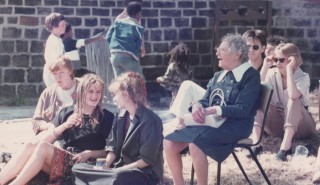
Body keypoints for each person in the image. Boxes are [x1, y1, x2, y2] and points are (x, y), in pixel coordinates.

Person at [164, 33, 261, 185]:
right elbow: (204, 100)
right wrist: (197, 106)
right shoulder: (218, 76)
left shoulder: (251, 76)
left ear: (237, 54)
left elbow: (243, 109)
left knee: (196, 143)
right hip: (212, 122)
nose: (217, 53)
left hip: (236, 125)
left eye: (222, 49)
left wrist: (215, 110)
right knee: (169, 142)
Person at [0, 74, 115, 185]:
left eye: (98, 92)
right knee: (30, 145)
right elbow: (44, 139)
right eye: (90, 91)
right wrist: (65, 125)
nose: (95, 96)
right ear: (81, 92)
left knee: (43, 148)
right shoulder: (67, 112)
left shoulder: (106, 117)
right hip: (63, 159)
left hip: (83, 164)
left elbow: (110, 150)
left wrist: (89, 153)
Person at [72, 72, 164, 185]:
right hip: (119, 167)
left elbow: (145, 161)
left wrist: (117, 170)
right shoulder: (120, 115)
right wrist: (105, 166)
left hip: (143, 173)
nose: (114, 98)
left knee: (118, 177)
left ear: (125, 94)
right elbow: (113, 148)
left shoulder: (150, 120)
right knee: (78, 169)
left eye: (115, 94)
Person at [251, 43, 316, 161]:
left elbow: (293, 94)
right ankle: (256, 145)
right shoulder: (272, 73)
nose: (277, 63)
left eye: (281, 60)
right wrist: (265, 66)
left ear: (293, 59)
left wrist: (290, 70)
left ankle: (285, 148)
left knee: (294, 100)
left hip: (302, 127)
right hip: (278, 125)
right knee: (257, 97)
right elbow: (254, 90)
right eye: (276, 59)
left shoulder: (303, 76)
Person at [32, 56, 78, 135]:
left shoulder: (85, 88)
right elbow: (36, 120)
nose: (58, 77)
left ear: (70, 71)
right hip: (55, 134)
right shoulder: (48, 93)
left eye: (61, 73)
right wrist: (48, 126)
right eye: (54, 74)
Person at [106, 1, 145, 77]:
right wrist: (140, 52)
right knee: (139, 80)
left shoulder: (117, 22)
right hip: (127, 57)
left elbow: (108, 37)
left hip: (114, 57)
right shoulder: (138, 27)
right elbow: (139, 46)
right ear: (138, 14)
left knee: (120, 82)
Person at [43, 12, 66, 87]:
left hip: (54, 73)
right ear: (54, 26)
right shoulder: (54, 41)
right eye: (62, 24)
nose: (65, 26)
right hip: (53, 75)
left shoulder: (57, 39)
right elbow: (56, 62)